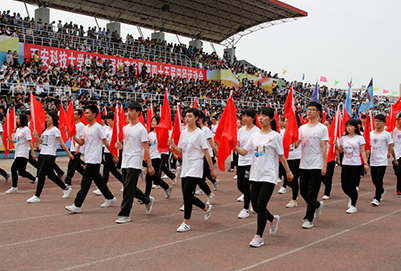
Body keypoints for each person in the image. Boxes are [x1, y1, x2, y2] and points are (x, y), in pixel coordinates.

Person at [235, 107, 293, 247]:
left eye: (264, 116)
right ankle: (272, 219)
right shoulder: (254, 136)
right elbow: (244, 152)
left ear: (271, 119)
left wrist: (288, 172)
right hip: (255, 174)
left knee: (260, 205)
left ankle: (258, 236)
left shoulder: (275, 136)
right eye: (259, 115)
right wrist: (232, 145)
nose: (260, 118)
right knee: (254, 205)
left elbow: (281, 155)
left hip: (269, 175)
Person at [169, 108, 216, 232]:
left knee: (187, 193)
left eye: (190, 116)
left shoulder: (200, 134)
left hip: (196, 167)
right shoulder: (184, 133)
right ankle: (205, 208)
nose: (187, 118)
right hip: (186, 166)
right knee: (186, 195)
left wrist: (212, 169)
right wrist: (173, 146)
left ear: (197, 118)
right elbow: (181, 152)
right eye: (186, 116)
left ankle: (186, 222)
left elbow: (206, 152)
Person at [65, 105, 117, 212]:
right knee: (98, 181)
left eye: (88, 113)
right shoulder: (85, 128)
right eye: (85, 113)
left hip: (95, 159)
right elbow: (82, 142)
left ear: (94, 114)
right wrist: (73, 136)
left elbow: (106, 143)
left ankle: (77, 205)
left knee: (85, 182)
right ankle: (110, 197)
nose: (86, 115)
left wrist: (113, 155)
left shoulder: (98, 127)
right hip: (88, 157)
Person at [114, 102, 155, 224]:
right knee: (128, 186)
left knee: (127, 189)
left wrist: (149, 165)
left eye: (132, 110)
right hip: (125, 160)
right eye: (128, 110)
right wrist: (119, 145)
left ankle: (124, 214)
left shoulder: (141, 129)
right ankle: (147, 200)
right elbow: (123, 144)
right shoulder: (125, 128)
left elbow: (146, 148)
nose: (129, 112)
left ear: (138, 112)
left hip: (135, 160)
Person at [26, 111, 74, 203]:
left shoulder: (55, 130)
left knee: (41, 175)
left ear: (53, 118)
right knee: (51, 175)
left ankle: (37, 196)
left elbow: (62, 143)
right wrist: (36, 136)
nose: (46, 119)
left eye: (48, 118)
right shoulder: (46, 130)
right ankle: (66, 188)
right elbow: (41, 142)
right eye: (46, 118)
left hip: (49, 155)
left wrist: (68, 153)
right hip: (42, 154)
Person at [295, 102, 328, 229]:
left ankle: (308, 218)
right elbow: (296, 144)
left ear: (318, 112)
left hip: (316, 164)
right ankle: (317, 205)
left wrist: (324, 165)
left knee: (312, 192)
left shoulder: (322, 128)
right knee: (303, 191)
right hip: (304, 163)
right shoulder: (302, 128)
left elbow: (324, 147)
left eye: (312, 110)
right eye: (308, 109)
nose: (309, 112)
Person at [334, 119, 369, 213]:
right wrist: (336, 145)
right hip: (346, 164)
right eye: (347, 126)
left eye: (351, 126)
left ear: (355, 127)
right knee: (344, 186)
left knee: (353, 185)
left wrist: (365, 163)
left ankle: (353, 205)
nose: (348, 128)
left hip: (356, 164)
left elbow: (362, 151)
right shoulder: (343, 138)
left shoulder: (359, 138)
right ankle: (352, 196)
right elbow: (341, 150)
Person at [236, 108, 260, 219]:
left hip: (251, 161)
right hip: (241, 160)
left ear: (253, 118)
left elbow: (259, 149)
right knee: (240, 185)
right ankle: (253, 200)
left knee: (246, 184)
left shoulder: (256, 131)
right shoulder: (241, 130)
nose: (244, 118)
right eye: (243, 116)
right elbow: (238, 144)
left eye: (247, 116)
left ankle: (245, 209)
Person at [369, 114, 397, 206]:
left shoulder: (387, 134)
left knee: (378, 179)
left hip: (382, 161)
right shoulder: (370, 134)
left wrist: (395, 158)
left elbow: (391, 147)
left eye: (380, 121)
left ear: (384, 123)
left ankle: (377, 198)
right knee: (374, 179)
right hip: (373, 160)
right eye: (376, 121)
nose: (377, 123)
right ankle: (381, 190)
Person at [5, 114, 36, 193]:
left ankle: (14, 187)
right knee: (21, 172)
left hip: (23, 152)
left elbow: (29, 141)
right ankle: (34, 179)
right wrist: (10, 140)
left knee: (13, 168)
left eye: (18, 119)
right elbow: (18, 141)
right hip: (18, 151)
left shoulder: (26, 129)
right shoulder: (18, 129)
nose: (17, 120)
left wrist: (33, 153)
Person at [145, 116, 173, 198]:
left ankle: (146, 196)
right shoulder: (149, 134)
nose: (152, 122)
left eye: (154, 121)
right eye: (152, 121)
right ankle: (166, 187)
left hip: (157, 157)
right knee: (154, 177)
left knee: (149, 178)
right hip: (150, 157)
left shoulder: (161, 133)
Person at [283, 114, 302, 208]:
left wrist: (293, 136)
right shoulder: (282, 132)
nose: (286, 123)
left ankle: (294, 199)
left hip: (297, 157)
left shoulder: (299, 131)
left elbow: (296, 145)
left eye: (288, 121)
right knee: (287, 179)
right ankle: (297, 189)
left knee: (293, 178)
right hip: (286, 158)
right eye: (285, 121)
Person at [64, 109, 85, 186]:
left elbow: (81, 138)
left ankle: (67, 181)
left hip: (77, 148)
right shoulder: (73, 125)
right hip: (73, 147)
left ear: (79, 116)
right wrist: (67, 131)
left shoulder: (81, 126)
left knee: (71, 166)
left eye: (75, 114)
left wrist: (78, 148)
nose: (73, 115)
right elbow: (71, 136)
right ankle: (89, 176)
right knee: (78, 166)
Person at [392, 114, 401, 197]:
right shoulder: (394, 131)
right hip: (395, 155)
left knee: (399, 172)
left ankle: (399, 189)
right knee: (397, 171)